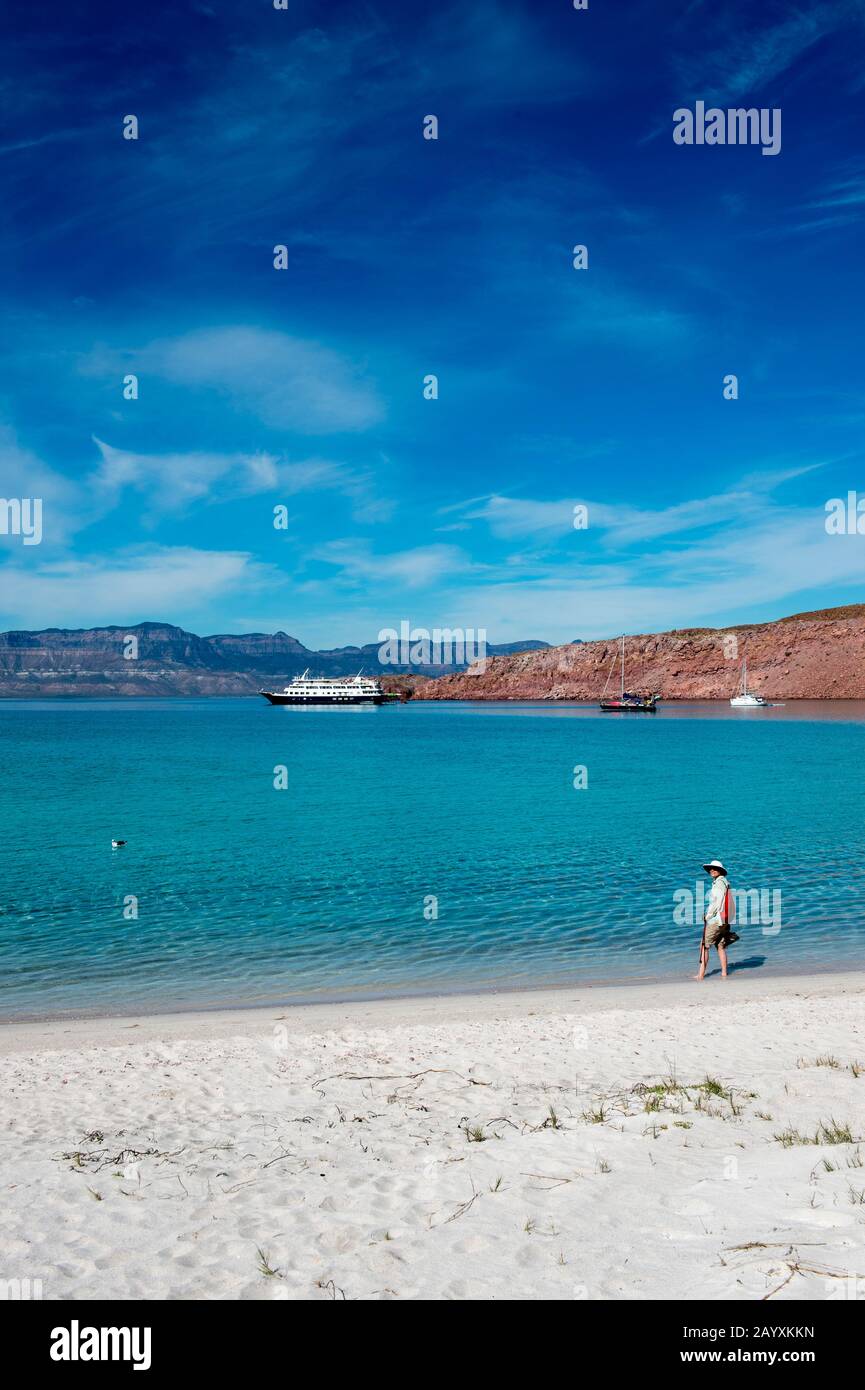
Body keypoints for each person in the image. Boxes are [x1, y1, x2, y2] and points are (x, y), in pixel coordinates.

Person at [695, 859, 735, 981]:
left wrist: (708, 916)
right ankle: (724, 973)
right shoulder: (725, 882)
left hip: (716, 920)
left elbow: (716, 902)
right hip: (725, 920)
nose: (711, 870)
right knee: (720, 946)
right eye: (710, 869)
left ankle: (701, 975)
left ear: (720, 870)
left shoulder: (718, 883)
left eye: (714, 868)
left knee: (704, 946)